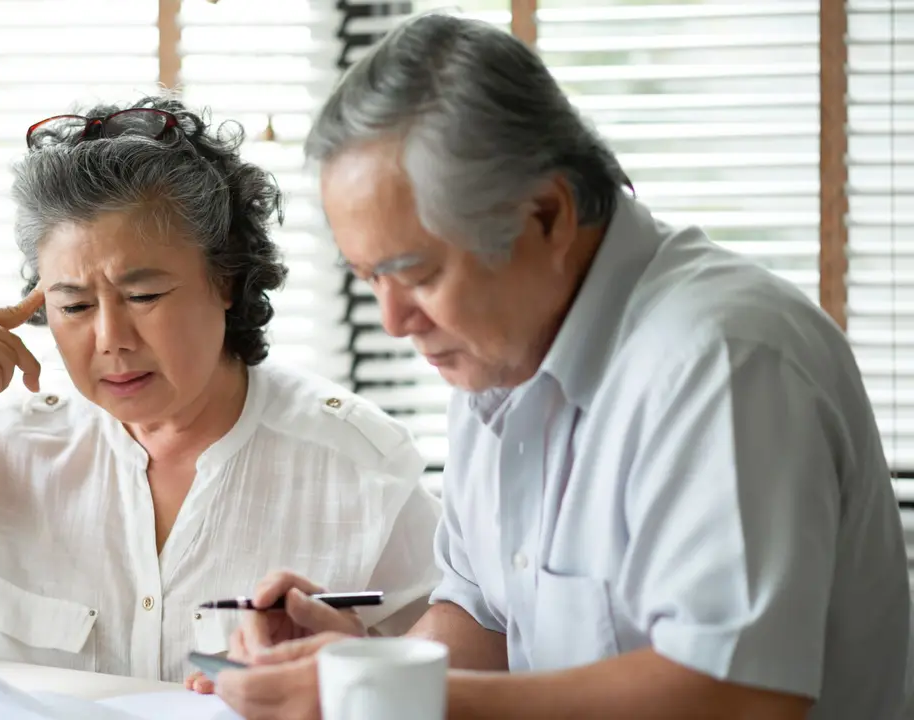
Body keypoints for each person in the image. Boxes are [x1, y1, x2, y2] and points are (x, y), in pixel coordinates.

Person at [201, 14, 913, 720]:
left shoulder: (723, 362)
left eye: (415, 274)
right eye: (369, 280)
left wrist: (394, 696)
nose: (394, 323)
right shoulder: (499, 357)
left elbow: (737, 697)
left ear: (546, 215)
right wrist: (361, 668)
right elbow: (486, 620)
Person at [0, 96, 442, 683]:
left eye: (143, 296)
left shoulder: (363, 469)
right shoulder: (6, 457)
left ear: (226, 281)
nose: (111, 338)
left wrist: (350, 667)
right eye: (75, 305)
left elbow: (457, 677)